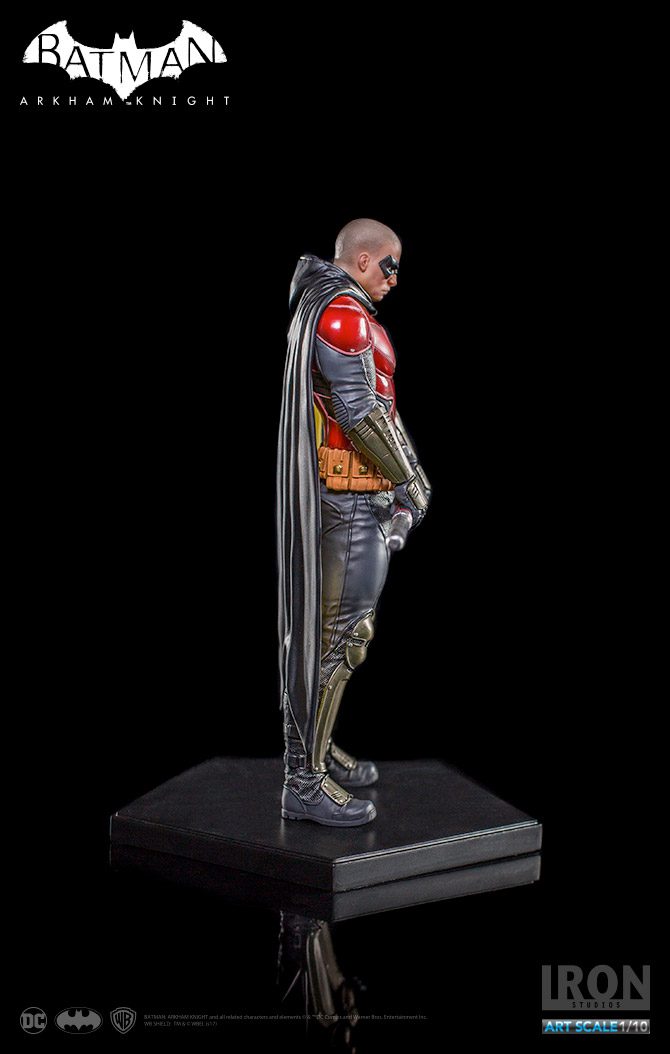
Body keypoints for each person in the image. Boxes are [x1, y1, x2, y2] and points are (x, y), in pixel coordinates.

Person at [277, 218, 431, 827]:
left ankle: (314, 752)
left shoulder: (340, 309)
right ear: (363, 260)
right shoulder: (341, 314)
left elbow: (377, 410)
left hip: (356, 493)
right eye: (390, 265)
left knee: (337, 637)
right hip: (344, 497)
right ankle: (304, 777)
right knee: (341, 637)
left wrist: (405, 476)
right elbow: (360, 412)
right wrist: (408, 479)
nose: (395, 278)